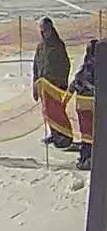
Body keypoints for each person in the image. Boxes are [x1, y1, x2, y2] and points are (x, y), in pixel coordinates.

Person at [34, 17, 74, 148]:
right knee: (47, 111)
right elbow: (36, 66)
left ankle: (65, 135)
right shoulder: (40, 47)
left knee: (58, 111)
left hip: (56, 85)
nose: (44, 32)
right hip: (44, 86)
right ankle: (54, 133)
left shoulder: (58, 45)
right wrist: (35, 85)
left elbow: (65, 64)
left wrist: (62, 83)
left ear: (51, 29)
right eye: (42, 30)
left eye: (46, 30)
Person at [72, 39, 96, 170]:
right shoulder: (87, 66)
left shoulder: (92, 67)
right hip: (85, 107)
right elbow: (77, 81)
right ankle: (86, 158)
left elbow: (79, 82)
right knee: (87, 133)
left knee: (89, 134)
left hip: (89, 107)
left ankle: (88, 158)